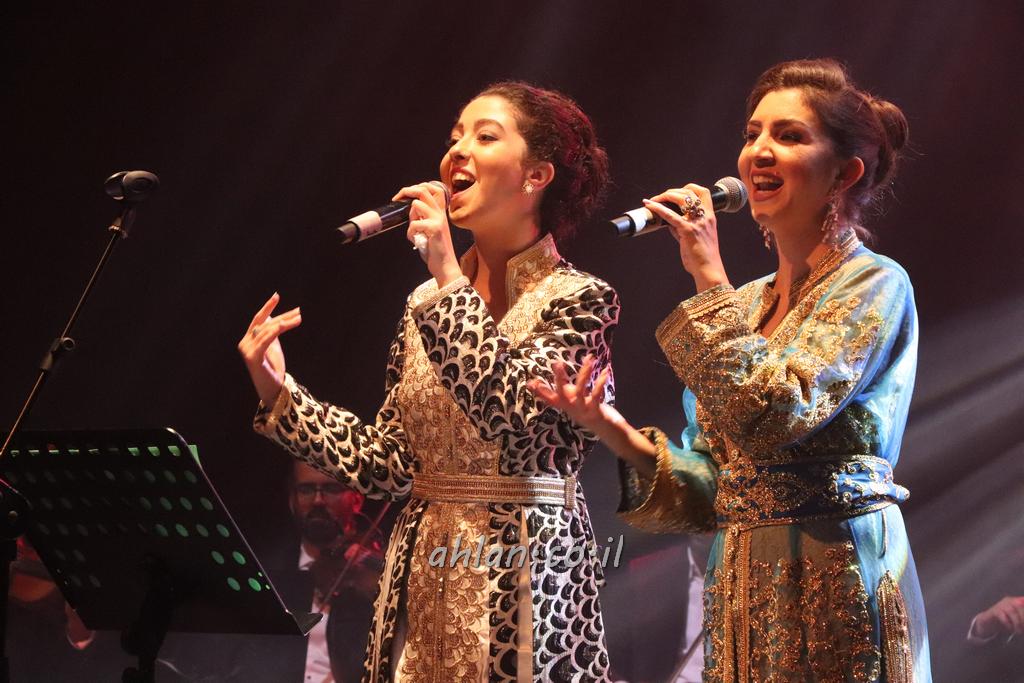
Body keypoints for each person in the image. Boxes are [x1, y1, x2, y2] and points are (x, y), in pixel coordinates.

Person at [530, 59, 930, 681]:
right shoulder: (742, 306)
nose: (759, 151)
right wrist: (608, 425)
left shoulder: (875, 283)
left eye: (789, 136)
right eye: (752, 134)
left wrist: (706, 274)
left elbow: (776, 415)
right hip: (741, 579)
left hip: (837, 572)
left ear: (845, 172)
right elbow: (709, 488)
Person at [238, 81, 618, 682]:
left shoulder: (579, 300)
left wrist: (445, 274)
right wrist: (280, 394)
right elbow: (390, 464)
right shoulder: (426, 303)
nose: (457, 152)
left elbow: (511, 417)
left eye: (485, 137)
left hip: (527, 574)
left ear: (536, 176)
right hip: (421, 580)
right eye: (454, 138)